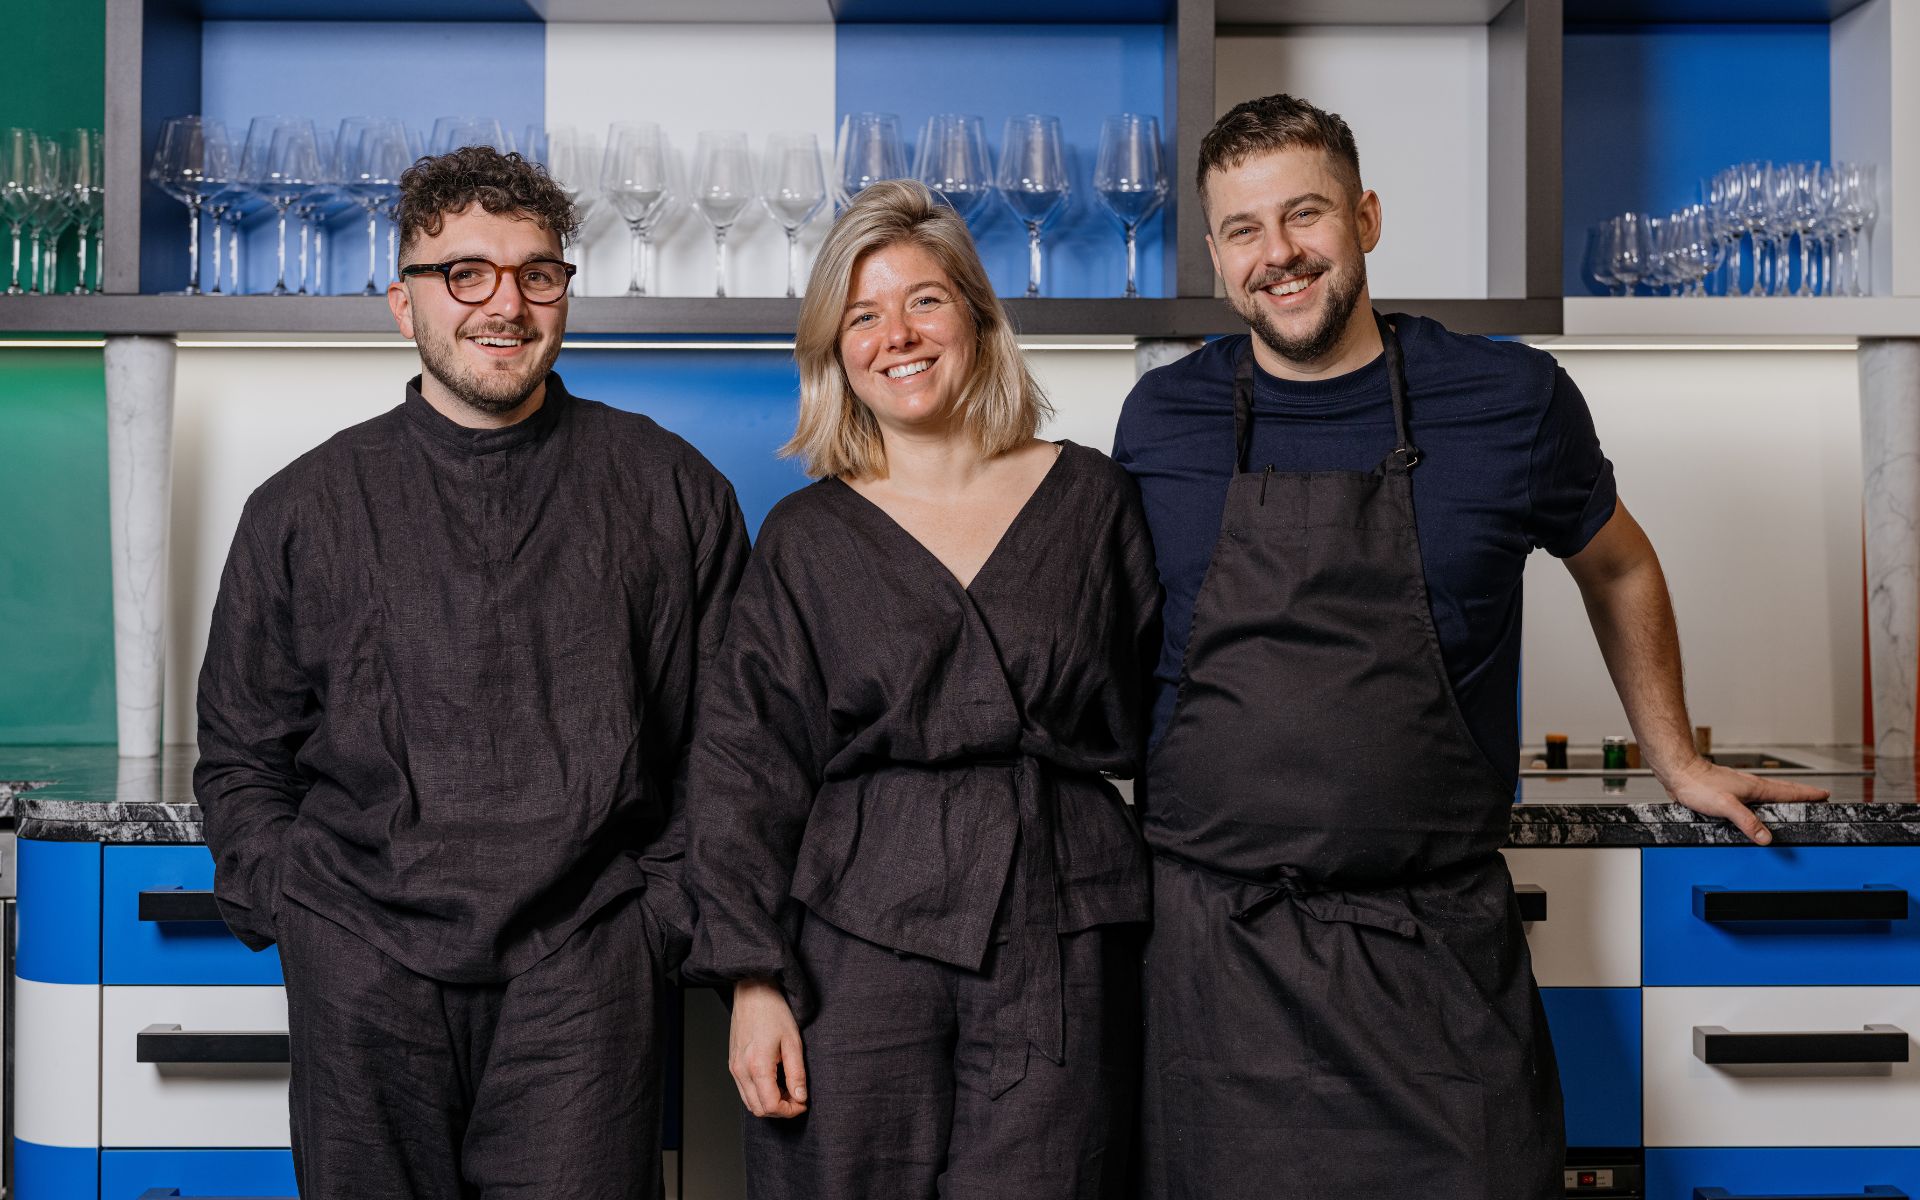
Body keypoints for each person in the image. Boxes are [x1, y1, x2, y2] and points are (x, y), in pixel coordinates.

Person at [1114, 94, 1830, 1198]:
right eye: (1244, 229)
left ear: (1366, 217)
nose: (1279, 253)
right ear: (1216, 256)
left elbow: (1620, 566)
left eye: (1305, 214)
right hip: (1216, 967)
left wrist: (1675, 755)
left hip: (1435, 953)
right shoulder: (1162, 419)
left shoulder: (1510, 398)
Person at [194, 146, 748, 1200]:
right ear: (403, 303)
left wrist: (655, 926)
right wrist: (304, 917)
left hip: (588, 974)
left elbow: (728, 750)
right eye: (466, 274)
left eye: (537, 273)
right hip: (361, 966)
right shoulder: (301, 509)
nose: (506, 304)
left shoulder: (671, 491)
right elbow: (241, 759)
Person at [684, 179, 1160, 1199]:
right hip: (854, 938)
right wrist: (752, 979)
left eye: (925, 301)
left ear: (978, 319)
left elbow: (1163, 718)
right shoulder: (806, 538)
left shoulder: (1093, 500)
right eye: (862, 315)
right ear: (835, 352)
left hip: (1063, 922)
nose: (896, 335)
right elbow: (744, 771)